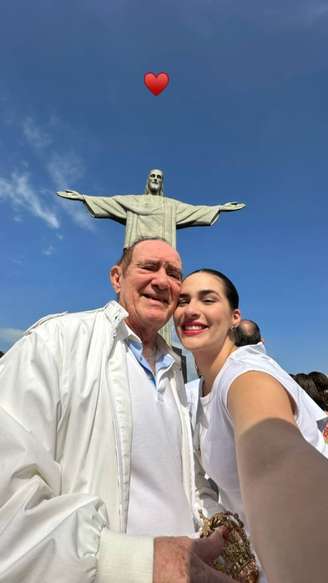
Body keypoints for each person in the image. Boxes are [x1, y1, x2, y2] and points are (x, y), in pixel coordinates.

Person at [0, 241, 235, 583]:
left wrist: (216, 524)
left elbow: (184, 480)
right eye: (148, 267)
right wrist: (134, 562)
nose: (161, 280)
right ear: (116, 278)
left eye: (173, 274)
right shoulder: (55, 343)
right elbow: (8, 495)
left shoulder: (174, 370)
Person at [174, 268, 328, 583]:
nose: (191, 309)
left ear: (234, 316)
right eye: (182, 300)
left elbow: (276, 460)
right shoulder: (199, 390)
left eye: (208, 299)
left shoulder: (245, 374)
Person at [57, 168, 245, 249]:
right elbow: (110, 202)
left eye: (159, 177)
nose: (155, 179)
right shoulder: (133, 200)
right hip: (135, 254)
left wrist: (219, 208)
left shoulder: (171, 205)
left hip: (164, 254)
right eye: (152, 176)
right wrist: (83, 197)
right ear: (148, 180)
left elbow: (194, 210)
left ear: (162, 182)